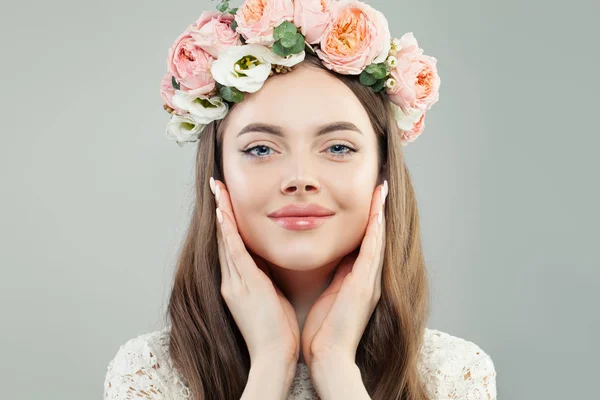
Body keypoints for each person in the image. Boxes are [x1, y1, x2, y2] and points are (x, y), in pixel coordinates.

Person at [104, 1, 496, 399]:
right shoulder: (148, 373)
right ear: (218, 173)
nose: (300, 179)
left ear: (383, 170)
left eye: (339, 147)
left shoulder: (452, 374)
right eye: (260, 149)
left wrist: (334, 362)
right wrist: (271, 363)